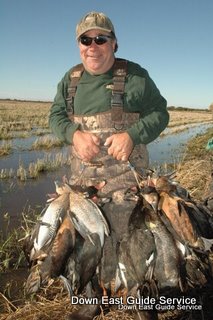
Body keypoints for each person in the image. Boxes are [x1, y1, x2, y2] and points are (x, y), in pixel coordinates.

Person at [49, 11, 169, 320]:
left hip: (127, 179)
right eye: (85, 39)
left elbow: (160, 112)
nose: (92, 45)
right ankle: (91, 298)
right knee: (85, 239)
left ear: (113, 43)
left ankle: (141, 298)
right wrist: (73, 135)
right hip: (84, 181)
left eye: (100, 39)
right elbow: (55, 116)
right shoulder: (70, 79)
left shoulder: (135, 76)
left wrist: (133, 135)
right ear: (79, 45)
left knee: (135, 238)